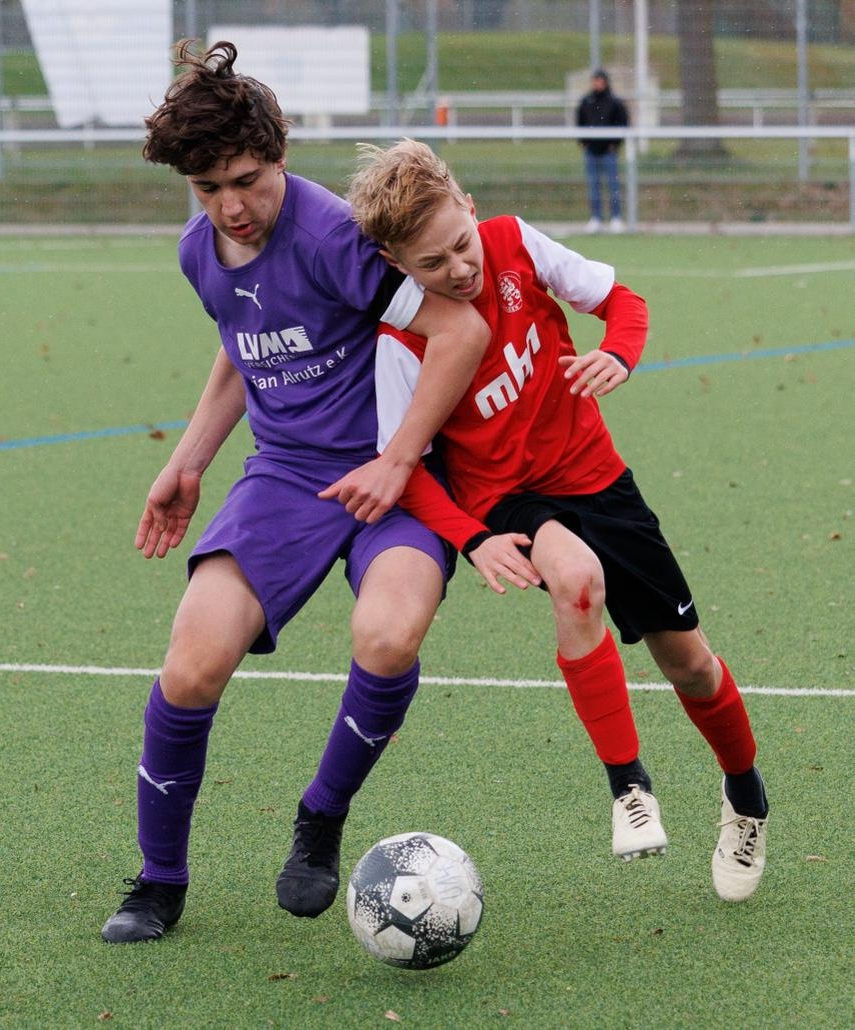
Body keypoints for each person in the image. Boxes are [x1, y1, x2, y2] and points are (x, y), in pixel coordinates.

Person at [100, 44, 490, 944]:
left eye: (245, 180)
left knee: (388, 635)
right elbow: (245, 347)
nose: (231, 207)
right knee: (191, 666)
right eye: (207, 188)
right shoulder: (200, 252)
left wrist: (398, 460)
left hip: (394, 481)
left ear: (278, 155)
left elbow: (459, 330)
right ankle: (159, 881)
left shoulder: (329, 237)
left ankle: (320, 819)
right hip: (282, 477)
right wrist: (190, 460)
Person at [334, 139, 768, 902]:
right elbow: (407, 472)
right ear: (395, 264)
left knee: (692, 665)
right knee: (576, 580)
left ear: (470, 207)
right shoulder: (400, 342)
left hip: (599, 482)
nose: (458, 269)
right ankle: (629, 788)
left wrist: (618, 354)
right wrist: (473, 538)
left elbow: (622, 301)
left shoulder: (514, 243)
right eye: (432, 264)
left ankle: (746, 798)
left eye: (461, 244)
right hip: (511, 500)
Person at [576, 69, 629, 234]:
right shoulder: (587, 101)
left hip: (608, 151)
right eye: (595, 81)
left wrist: (615, 144)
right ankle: (596, 218)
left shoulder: (614, 102)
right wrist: (583, 142)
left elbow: (622, 123)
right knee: (594, 186)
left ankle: (616, 218)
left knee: (613, 185)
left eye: (599, 81)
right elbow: (580, 122)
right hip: (591, 150)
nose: (597, 84)